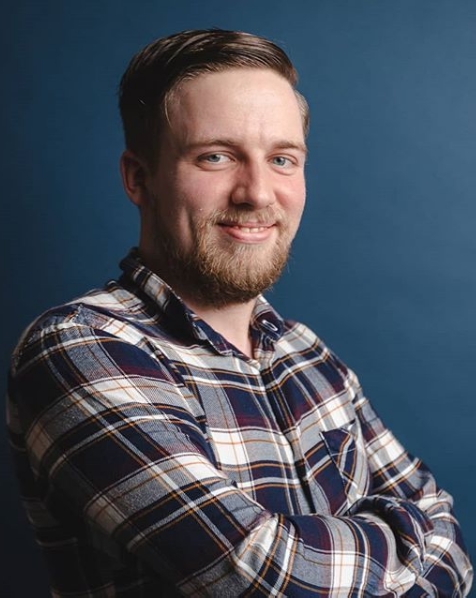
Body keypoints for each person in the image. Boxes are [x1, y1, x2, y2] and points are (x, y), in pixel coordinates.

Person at [7, 28, 473, 597]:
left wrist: (358, 547)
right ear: (139, 178)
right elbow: (270, 582)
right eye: (216, 156)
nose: (257, 193)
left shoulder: (306, 351)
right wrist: (404, 537)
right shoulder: (80, 348)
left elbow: (455, 554)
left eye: (282, 159)